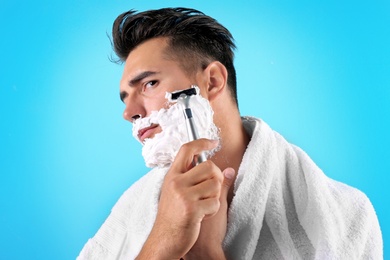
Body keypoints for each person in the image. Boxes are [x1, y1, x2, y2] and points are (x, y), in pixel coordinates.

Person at [78, 7, 383, 259]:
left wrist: (205, 253)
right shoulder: (131, 213)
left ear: (211, 81)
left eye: (149, 84)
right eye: (125, 97)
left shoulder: (346, 215)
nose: (129, 112)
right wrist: (163, 239)